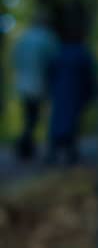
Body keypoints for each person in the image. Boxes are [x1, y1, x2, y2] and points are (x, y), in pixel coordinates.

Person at [46, 2, 97, 166]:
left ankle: (57, 152)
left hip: (63, 91)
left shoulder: (61, 52)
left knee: (59, 120)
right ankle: (68, 152)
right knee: (71, 121)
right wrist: (90, 92)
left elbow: (51, 72)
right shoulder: (81, 53)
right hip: (74, 92)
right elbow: (88, 75)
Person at [12, 9, 59, 161]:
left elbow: (16, 60)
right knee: (43, 117)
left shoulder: (24, 38)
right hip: (42, 84)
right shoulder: (48, 38)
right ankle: (43, 149)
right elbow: (53, 62)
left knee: (29, 117)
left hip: (24, 84)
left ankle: (26, 147)